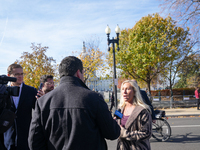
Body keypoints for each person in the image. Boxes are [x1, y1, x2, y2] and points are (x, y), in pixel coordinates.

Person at [28, 56, 120, 150]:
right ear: (78, 73)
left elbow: (34, 142)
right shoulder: (94, 98)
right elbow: (112, 133)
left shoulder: (42, 102)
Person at [4, 64, 37, 150]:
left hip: (26, 138)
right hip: (6, 139)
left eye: (22, 74)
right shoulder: (3, 91)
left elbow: (38, 112)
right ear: (9, 75)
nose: (20, 76)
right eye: (17, 74)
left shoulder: (31, 91)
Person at [116, 80, 152, 150]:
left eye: (128, 89)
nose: (124, 92)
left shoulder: (143, 111)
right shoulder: (119, 109)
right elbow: (115, 123)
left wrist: (125, 134)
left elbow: (146, 133)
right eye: (123, 89)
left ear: (135, 92)